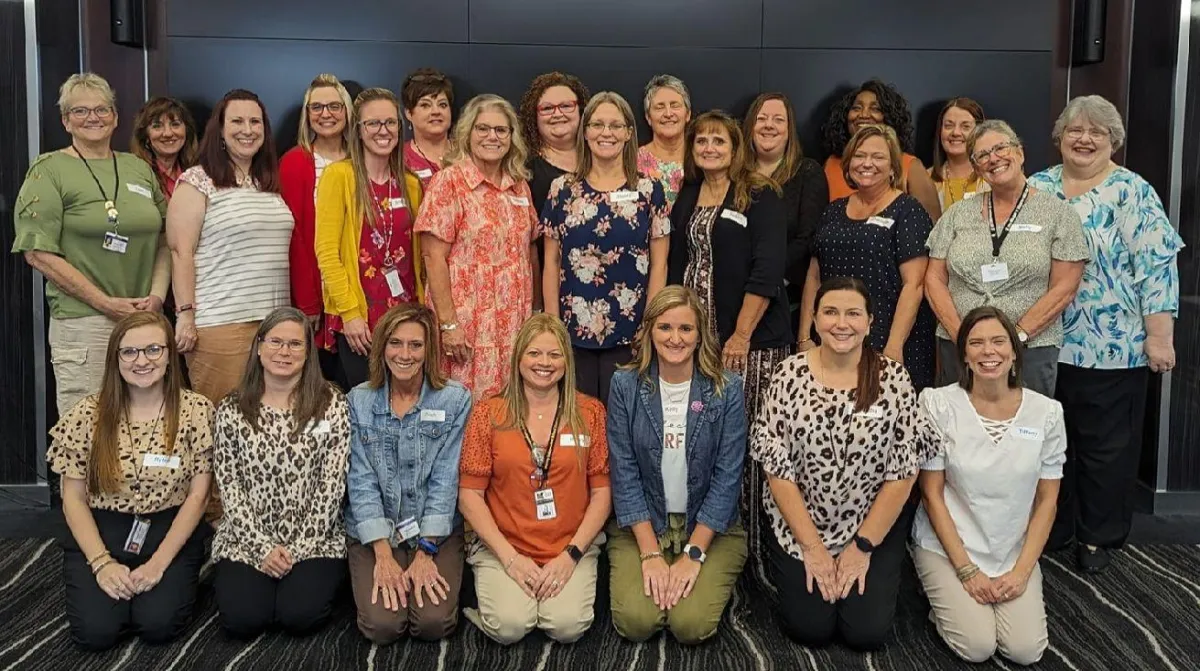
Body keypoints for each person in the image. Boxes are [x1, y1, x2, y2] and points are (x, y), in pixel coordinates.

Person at [1028, 95, 1185, 572]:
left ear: (1113, 140)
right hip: (1041, 341)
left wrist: (1160, 338)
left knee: (1104, 448)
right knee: (1048, 442)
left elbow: (1156, 267)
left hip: (1112, 348)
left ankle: (1097, 535)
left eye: (1097, 131)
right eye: (1076, 129)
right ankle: (1052, 525)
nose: (1085, 139)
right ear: (1060, 137)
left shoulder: (1132, 191)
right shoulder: (1037, 186)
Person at [751, 277, 933, 651]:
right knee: (811, 628)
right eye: (830, 312)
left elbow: (904, 472)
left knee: (864, 634)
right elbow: (776, 468)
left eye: (853, 314)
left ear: (869, 323)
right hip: (801, 523)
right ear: (815, 320)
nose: (841, 323)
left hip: (872, 523)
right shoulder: (788, 375)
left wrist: (861, 547)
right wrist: (813, 548)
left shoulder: (894, 378)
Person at [48, 312, 213, 651]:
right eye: (130, 352)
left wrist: (157, 564)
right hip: (102, 528)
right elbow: (73, 498)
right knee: (96, 634)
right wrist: (102, 563)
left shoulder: (197, 410)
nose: (142, 361)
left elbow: (198, 496)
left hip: (169, 528)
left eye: (154, 349)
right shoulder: (87, 414)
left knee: (159, 626)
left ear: (170, 354)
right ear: (116, 358)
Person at [912, 306, 1064, 665]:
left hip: (1012, 549)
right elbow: (931, 495)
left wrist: (1022, 570)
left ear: (1014, 350)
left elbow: (1047, 501)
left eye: (998, 341)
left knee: (1026, 651)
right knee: (977, 647)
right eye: (976, 343)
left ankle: (980, 599)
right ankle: (940, 593)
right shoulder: (938, 404)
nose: (988, 352)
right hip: (949, 546)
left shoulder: (1047, 413)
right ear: (964, 354)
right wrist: (965, 569)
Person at [13, 73, 170, 416]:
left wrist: (156, 297)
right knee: (86, 430)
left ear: (115, 117)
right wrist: (105, 303)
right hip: (84, 321)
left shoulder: (137, 169)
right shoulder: (48, 170)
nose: (93, 118)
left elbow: (164, 239)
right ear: (65, 121)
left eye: (101, 110)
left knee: (143, 424)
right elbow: (37, 253)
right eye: (80, 111)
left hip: (144, 319)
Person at [606, 286, 748, 644]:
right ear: (650, 331)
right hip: (643, 524)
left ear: (700, 335)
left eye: (686, 329)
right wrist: (650, 553)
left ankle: (687, 577)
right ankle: (660, 574)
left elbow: (728, 476)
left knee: (690, 626)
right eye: (665, 327)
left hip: (708, 527)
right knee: (637, 623)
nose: (675, 338)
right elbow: (623, 472)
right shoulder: (625, 385)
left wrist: (694, 553)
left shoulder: (725, 388)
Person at [458, 314, 611, 645]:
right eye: (535, 353)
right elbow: (470, 494)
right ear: (518, 359)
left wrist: (571, 556)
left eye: (554, 355)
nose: (545, 363)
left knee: (567, 627)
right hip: (505, 546)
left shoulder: (591, 413)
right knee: (510, 627)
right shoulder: (489, 413)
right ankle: (498, 594)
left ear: (567, 362)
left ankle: (543, 598)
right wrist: (511, 560)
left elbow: (602, 493)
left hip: (571, 546)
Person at [211, 307, 350, 639]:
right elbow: (229, 485)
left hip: (314, 539)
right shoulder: (232, 408)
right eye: (275, 341)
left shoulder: (332, 404)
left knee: (299, 616)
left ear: (308, 352)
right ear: (259, 347)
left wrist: (297, 551)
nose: (284, 352)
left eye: (295, 344)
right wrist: (262, 549)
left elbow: (332, 485)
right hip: (247, 539)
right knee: (243, 620)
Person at [924, 120, 1089, 397]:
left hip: (1030, 350)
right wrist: (961, 336)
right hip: (958, 348)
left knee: (1024, 434)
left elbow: (1065, 287)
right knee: (957, 432)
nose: (994, 159)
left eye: (1001, 148)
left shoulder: (1059, 214)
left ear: (1020, 153)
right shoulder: (957, 214)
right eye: (983, 155)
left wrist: (1016, 337)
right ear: (977, 168)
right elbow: (933, 278)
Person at [344, 303, 472, 643]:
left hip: (434, 528)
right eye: (395, 343)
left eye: (415, 345)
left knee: (433, 623)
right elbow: (361, 481)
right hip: (377, 531)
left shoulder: (454, 400)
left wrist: (426, 551)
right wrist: (383, 556)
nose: (405, 354)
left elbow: (447, 479)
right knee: (383, 627)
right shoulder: (358, 401)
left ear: (428, 351)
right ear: (382, 346)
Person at [541, 91, 671, 403]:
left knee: (624, 423)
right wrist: (553, 327)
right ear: (584, 132)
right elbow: (550, 262)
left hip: (632, 333)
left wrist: (650, 323)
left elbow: (660, 264)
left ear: (629, 133)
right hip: (573, 333)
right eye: (597, 124)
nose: (606, 133)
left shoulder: (649, 190)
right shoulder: (562, 190)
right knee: (577, 421)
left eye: (615, 125)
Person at [167, 88, 294, 403]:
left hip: (276, 325)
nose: (247, 130)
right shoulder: (197, 181)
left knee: (268, 423)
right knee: (223, 421)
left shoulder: (267, 183)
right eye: (237, 121)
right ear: (220, 131)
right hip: (221, 324)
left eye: (255, 122)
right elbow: (180, 252)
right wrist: (185, 315)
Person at [417, 94, 539, 401]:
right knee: (463, 406)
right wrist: (448, 325)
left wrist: (535, 313)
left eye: (501, 130)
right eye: (483, 129)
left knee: (510, 407)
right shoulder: (449, 183)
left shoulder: (519, 185)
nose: (492, 137)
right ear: (467, 133)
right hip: (467, 325)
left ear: (512, 138)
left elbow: (530, 251)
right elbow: (433, 257)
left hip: (513, 323)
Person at [799, 124, 936, 390]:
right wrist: (805, 336)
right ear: (848, 163)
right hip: (834, 339)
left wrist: (893, 348)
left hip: (889, 339)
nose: (867, 163)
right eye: (859, 156)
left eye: (878, 157)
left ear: (893, 166)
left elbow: (915, 284)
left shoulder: (908, 211)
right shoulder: (833, 211)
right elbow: (814, 276)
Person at [316, 88, 425, 389]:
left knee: (404, 402)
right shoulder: (339, 177)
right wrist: (350, 314)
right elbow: (326, 252)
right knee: (367, 404)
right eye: (373, 124)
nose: (383, 131)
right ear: (359, 131)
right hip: (360, 321)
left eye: (390, 123)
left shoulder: (411, 185)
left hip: (405, 317)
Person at [743, 92, 829, 333]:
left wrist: (765, 278)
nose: (769, 125)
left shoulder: (807, 173)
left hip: (785, 299)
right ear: (750, 126)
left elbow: (808, 238)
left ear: (790, 129)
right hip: (736, 295)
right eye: (761, 118)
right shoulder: (734, 175)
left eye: (778, 120)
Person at [281, 74, 353, 335]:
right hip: (318, 297)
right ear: (307, 113)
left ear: (347, 111)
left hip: (361, 293)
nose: (326, 114)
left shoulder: (363, 159)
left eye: (334, 106)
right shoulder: (295, 162)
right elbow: (295, 237)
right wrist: (308, 302)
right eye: (317, 107)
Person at [820, 79, 941, 220]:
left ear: (889, 118)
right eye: (856, 108)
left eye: (875, 108)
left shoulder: (910, 166)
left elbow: (933, 230)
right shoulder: (831, 164)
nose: (864, 115)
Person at [519, 71, 591, 216]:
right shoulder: (523, 167)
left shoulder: (600, 156)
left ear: (581, 110)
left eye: (566, 106)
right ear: (534, 116)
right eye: (547, 108)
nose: (557, 114)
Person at [130, 96, 199, 201]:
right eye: (157, 126)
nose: (168, 133)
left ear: (186, 131)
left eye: (175, 124)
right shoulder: (135, 174)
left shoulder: (200, 173)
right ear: (145, 136)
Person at [638, 75, 691, 204]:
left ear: (688, 114)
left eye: (675, 105)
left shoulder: (702, 158)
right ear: (648, 117)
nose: (668, 114)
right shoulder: (633, 161)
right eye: (659, 107)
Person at [928, 98, 988, 210]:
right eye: (948, 126)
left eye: (965, 127)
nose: (955, 132)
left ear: (979, 132)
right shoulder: (926, 180)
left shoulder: (994, 177)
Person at [401, 68, 454, 186]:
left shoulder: (468, 154)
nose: (436, 111)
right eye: (425, 105)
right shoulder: (399, 160)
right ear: (409, 113)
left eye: (442, 105)